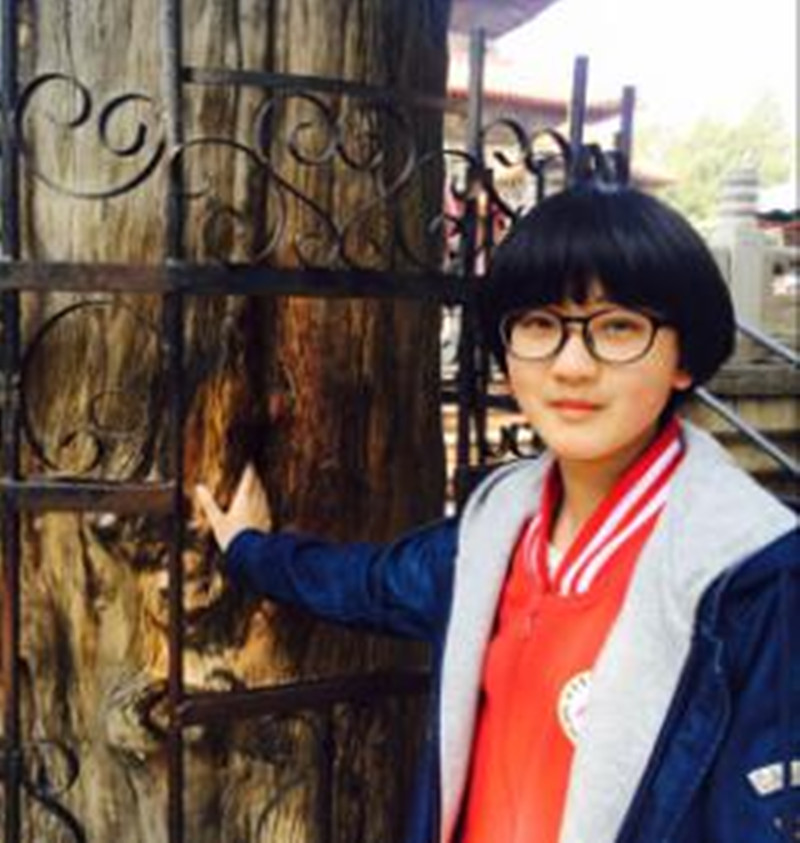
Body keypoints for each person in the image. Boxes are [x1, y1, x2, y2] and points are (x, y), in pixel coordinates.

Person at [195, 182, 799, 843]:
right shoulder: (500, 524)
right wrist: (249, 549)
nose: (572, 366)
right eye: (539, 324)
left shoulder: (754, 573)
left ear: (684, 357)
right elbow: (374, 583)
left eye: (619, 327)